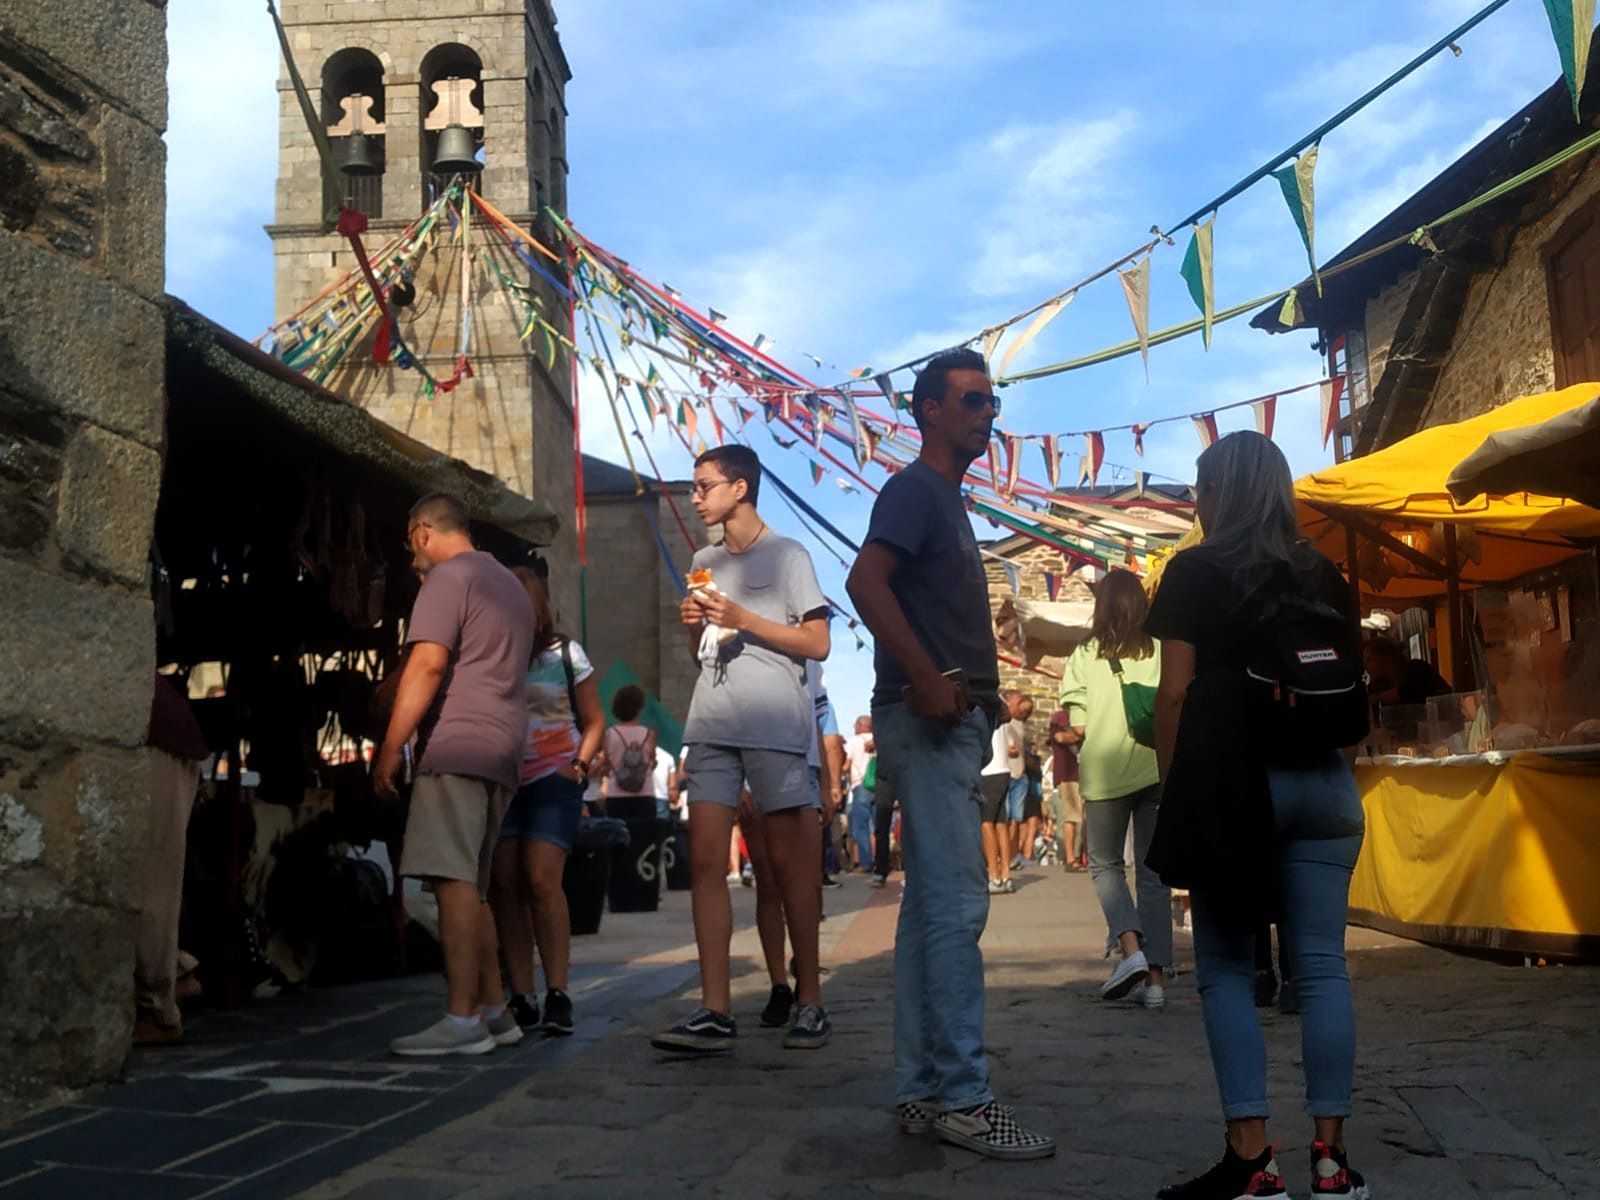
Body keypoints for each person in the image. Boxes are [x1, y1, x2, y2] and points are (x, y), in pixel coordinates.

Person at [1146, 431, 1370, 1200]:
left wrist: (1177, 795)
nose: (1196, 503)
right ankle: (1333, 1165)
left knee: (1225, 969)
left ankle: (1253, 1164)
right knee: (1323, 968)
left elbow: (1173, 694)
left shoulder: (1195, 570)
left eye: (1200, 489)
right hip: (1327, 785)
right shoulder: (1325, 573)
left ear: (1221, 493)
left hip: (1236, 788)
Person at [847, 347, 1055, 1160]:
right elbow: (866, 583)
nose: (986, 414)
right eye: (971, 400)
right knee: (958, 906)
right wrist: (927, 676)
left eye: (991, 401)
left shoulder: (947, 501)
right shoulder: (915, 490)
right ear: (929, 410)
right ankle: (966, 1098)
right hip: (926, 718)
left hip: (952, 720)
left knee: (931, 912)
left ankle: (924, 1088)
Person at [651, 444, 833, 1053]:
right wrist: (692, 629)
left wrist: (743, 616)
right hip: (711, 722)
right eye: (694, 487)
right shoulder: (702, 560)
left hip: (775, 725)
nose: (695, 497)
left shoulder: (789, 555)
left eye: (704, 486)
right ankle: (715, 1009)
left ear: (740, 488)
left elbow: (818, 643)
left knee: (789, 869)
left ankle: (810, 1000)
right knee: (706, 863)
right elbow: (703, 652)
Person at [376, 493, 533, 1056]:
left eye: (409, 542)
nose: (411, 555)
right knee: (473, 885)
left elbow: (427, 664)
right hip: (503, 747)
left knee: (452, 881)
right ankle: (494, 1011)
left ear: (422, 531)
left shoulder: (448, 577)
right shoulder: (511, 585)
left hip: (457, 742)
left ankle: (461, 1018)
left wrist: (390, 746)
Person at [488, 568, 604, 1038]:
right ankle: (522, 994)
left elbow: (595, 719)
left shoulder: (564, 653)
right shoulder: (490, 653)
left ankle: (558, 991)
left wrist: (579, 765)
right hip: (502, 781)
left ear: (536, 605)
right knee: (505, 885)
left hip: (554, 779)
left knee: (541, 879)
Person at [1062, 567, 1172, 1009]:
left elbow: (1079, 726)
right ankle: (1157, 982)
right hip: (1155, 770)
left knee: (1105, 865)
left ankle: (1130, 949)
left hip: (1105, 775)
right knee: (1154, 875)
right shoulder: (1161, 649)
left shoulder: (1085, 654)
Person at [133, 673, 210, 1045]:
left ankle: (158, 1009)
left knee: (150, 879)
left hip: (154, 737)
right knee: (145, 876)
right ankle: (174, 973)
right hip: (148, 731)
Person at [978, 690, 1023, 894]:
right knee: (1000, 823)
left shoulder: (983, 702)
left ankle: (994, 875)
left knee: (986, 823)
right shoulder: (1002, 706)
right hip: (1003, 770)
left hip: (988, 771)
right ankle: (1005, 875)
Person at [600, 685, 659, 804]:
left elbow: (606, 764)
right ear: (639, 708)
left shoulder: (609, 734)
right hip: (645, 794)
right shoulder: (650, 734)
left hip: (616, 794)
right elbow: (652, 763)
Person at [1047, 703, 1086, 871]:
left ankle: (1080, 857)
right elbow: (1060, 737)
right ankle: (1071, 858)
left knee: (1083, 818)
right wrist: (1079, 735)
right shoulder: (1060, 717)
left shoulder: (1084, 715)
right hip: (1068, 774)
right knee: (1071, 816)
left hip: (1084, 774)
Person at [1363, 637, 1450, 707]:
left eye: (1369, 660)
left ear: (1387, 658)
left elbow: (1408, 693)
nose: (1365, 666)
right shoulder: (1379, 684)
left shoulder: (1416, 668)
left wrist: (1377, 698)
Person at [1004, 696, 1035, 868]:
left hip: (1020, 776)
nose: (1023, 712)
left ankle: (1011, 856)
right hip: (1006, 775)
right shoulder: (1003, 722)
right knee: (1005, 819)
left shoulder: (1020, 724)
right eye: (1021, 707)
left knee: (1015, 820)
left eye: (1027, 711)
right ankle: (1004, 857)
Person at [843, 717, 877, 872]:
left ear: (860, 726)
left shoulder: (854, 742)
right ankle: (881, 862)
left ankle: (866, 863)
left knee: (861, 827)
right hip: (879, 785)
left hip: (861, 785)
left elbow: (846, 765)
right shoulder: (879, 740)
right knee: (876, 827)